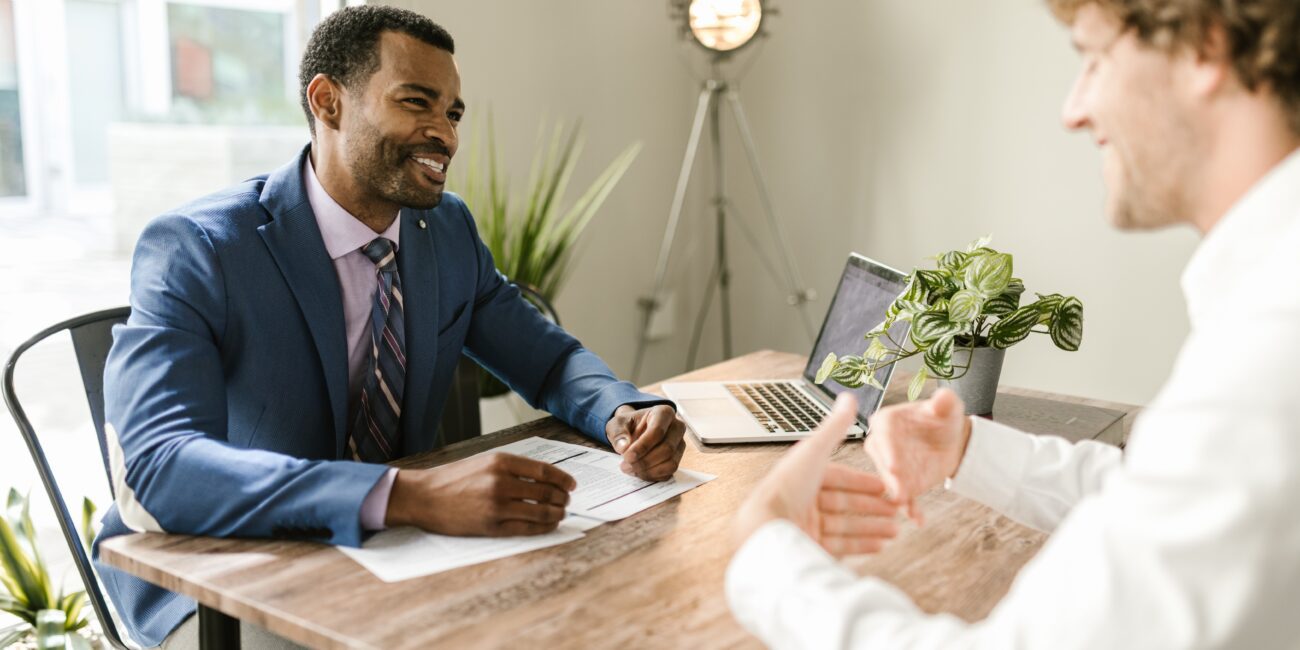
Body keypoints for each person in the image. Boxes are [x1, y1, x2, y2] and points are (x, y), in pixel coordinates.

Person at [94, 6, 687, 648]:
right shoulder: (199, 249)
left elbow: (545, 360)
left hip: (397, 551)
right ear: (328, 102)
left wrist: (620, 409)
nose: (446, 135)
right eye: (417, 103)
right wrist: (408, 495)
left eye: (454, 113)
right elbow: (160, 466)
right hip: (222, 566)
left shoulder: (447, 231)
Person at [728, 0, 1300, 647]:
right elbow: (1174, 503)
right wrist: (968, 451)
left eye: (1093, 58)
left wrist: (764, 552)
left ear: (1205, 47)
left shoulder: (1271, 356)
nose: (1074, 110)